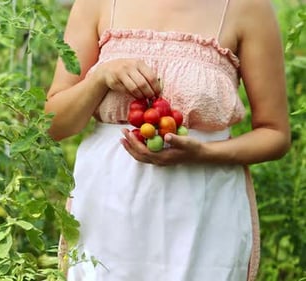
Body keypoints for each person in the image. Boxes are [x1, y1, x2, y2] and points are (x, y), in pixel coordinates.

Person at [44, 0, 291, 280]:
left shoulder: (247, 7)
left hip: (203, 207)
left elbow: (275, 134)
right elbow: (54, 125)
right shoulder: (96, 4)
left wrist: (203, 154)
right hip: (109, 205)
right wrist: (99, 77)